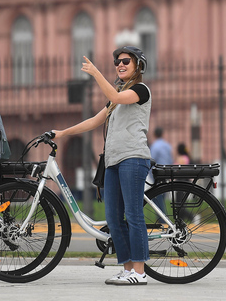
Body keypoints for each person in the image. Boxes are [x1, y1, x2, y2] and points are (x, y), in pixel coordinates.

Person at [52, 46, 152, 286]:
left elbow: (117, 97)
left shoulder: (140, 90)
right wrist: (63, 132)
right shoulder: (116, 97)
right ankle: (127, 268)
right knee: (114, 218)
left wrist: (96, 73)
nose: (120, 64)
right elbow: (95, 121)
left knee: (133, 215)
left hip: (133, 158)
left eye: (126, 61)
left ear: (138, 65)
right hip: (113, 161)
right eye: (117, 61)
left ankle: (139, 271)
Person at [148, 127, 173, 209]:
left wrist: (151, 176)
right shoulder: (167, 146)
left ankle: (162, 219)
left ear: (154, 135)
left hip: (158, 174)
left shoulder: (154, 146)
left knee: (157, 198)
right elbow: (170, 160)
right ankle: (163, 218)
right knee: (162, 196)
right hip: (167, 173)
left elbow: (152, 161)